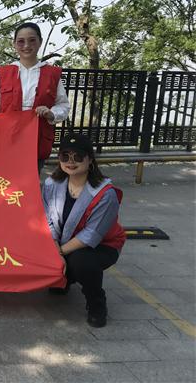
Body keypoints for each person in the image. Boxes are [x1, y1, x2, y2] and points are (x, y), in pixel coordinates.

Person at [42, 133, 126, 328]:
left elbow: (91, 235)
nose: (71, 162)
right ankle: (63, 279)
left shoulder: (105, 194)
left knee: (81, 262)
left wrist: (58, 254)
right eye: (65, 156)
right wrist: (54, 248)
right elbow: (48, 221)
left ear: (90, 159)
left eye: (78, 156)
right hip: (61, 243)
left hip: (101, 246)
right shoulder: (51, 185)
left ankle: (96, 303)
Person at [0, 22, 70, 172]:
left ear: (40, 42)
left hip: (37, 141)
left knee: (31, 180)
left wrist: (51, 113)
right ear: (14, 44)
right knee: (5, 180)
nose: (26, 45)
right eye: (21, 41)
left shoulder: (52, 75)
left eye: (32, 40)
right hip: (7, 140)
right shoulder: (4, 73)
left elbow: (63, 105)